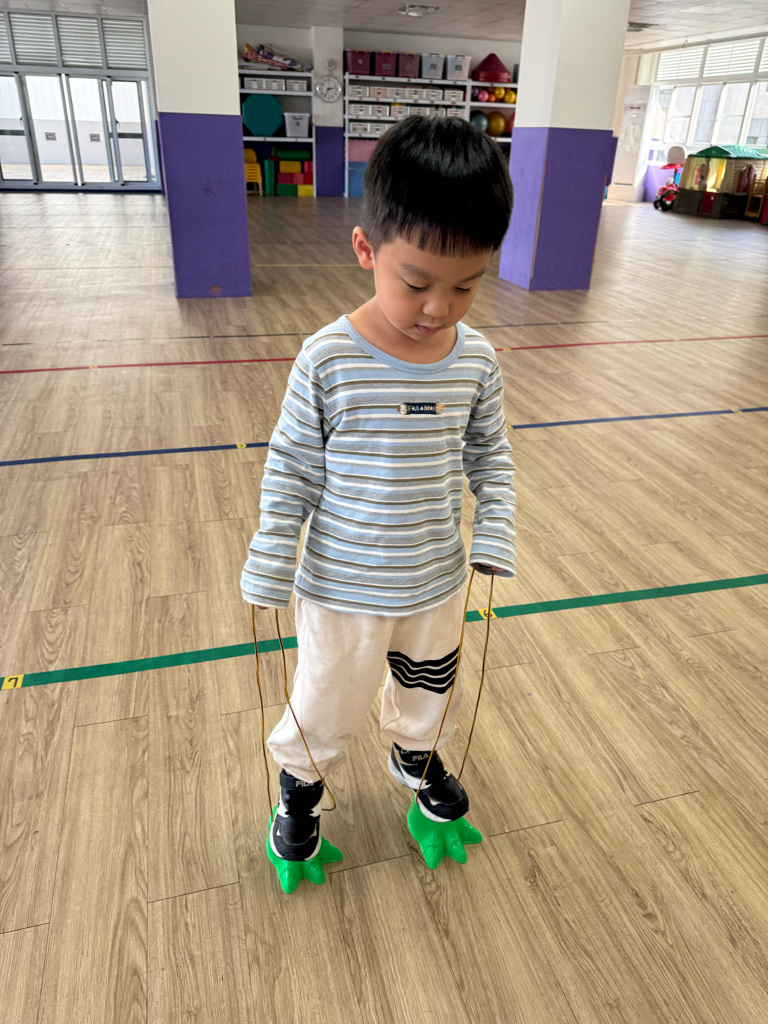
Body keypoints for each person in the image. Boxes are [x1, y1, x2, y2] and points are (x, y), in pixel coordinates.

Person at [242, 116, 516, 864]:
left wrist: (496, 527)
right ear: (366, 250)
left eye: (466, 285)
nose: (439, 308)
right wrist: (271, 552)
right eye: (416, 283)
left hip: (434, 581)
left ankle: (415, 757)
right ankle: (300, 788)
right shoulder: (327, 358)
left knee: (430, 686)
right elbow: (291, 465)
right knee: (327, 698)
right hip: (343, 588)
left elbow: (491, 455)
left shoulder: (477, 361)